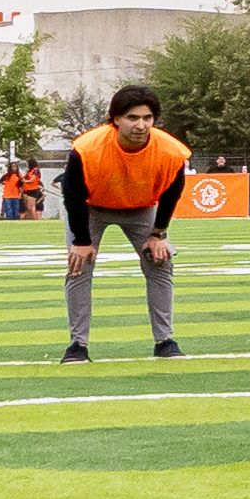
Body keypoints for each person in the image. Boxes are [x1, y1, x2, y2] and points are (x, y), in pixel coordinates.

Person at [60, 85, 191, 362]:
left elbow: (172, 191)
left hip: (141, 208)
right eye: (132, 118)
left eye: (147, 118)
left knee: (161, 263)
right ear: (115, 119)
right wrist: (81, 242)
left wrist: (158, 234)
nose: (140, 125)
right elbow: (72, 193)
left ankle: (165, 340)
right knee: (78, 267)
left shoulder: (171, 151)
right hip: (90, 207)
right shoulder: (87, 148)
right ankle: (78, 345)